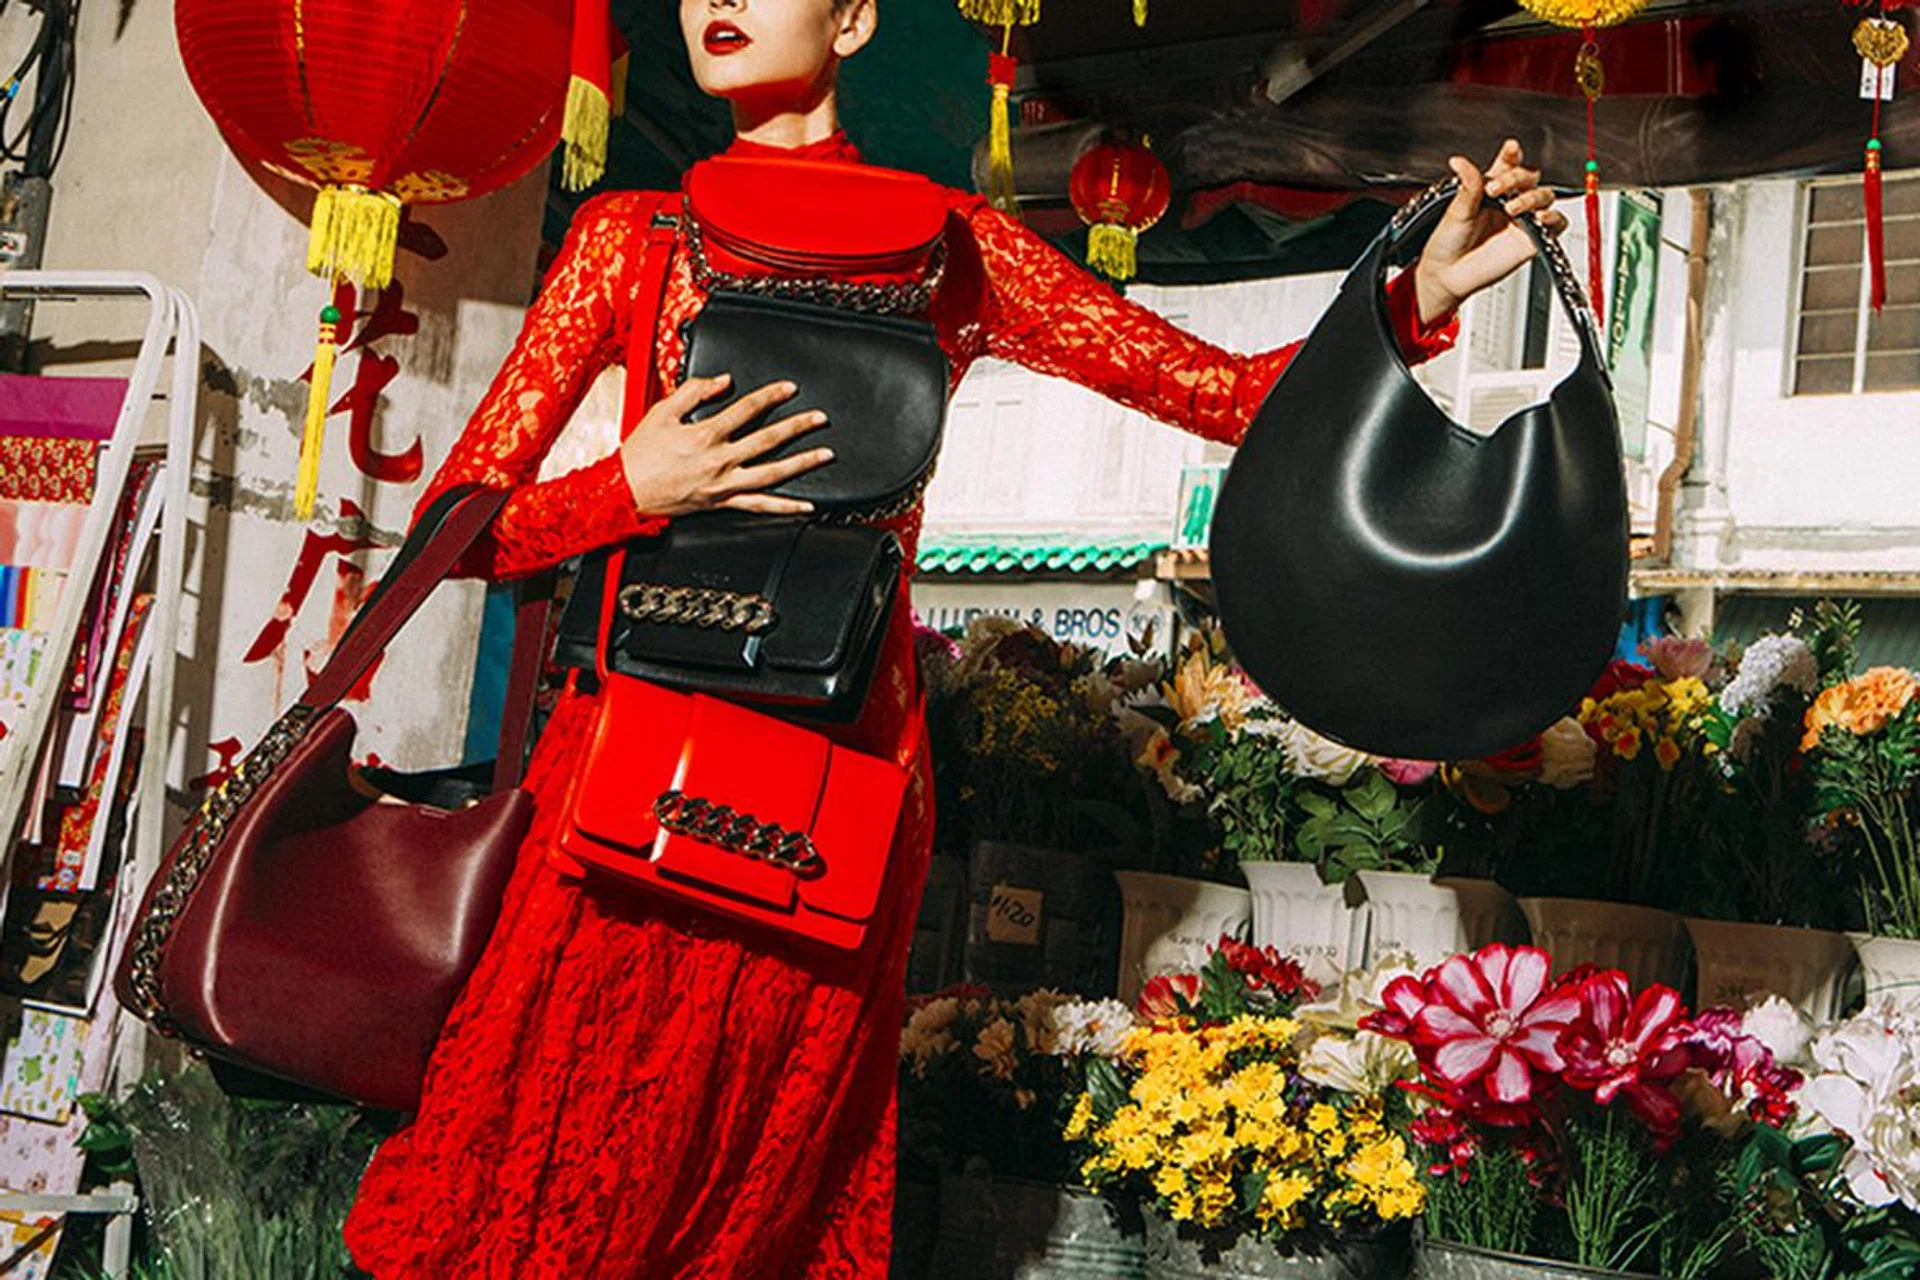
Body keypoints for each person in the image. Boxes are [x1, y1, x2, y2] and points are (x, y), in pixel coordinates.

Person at [342, 0, 1564, 1274]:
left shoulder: (953, 251)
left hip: (842, 776)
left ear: (855, 17)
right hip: (635, 762)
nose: (717, 3)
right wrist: (623, 489)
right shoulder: (627, 236)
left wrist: (1408, 295)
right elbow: (456, 531)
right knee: (539, 1159)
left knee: (767, 1187)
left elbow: (1214, 391)